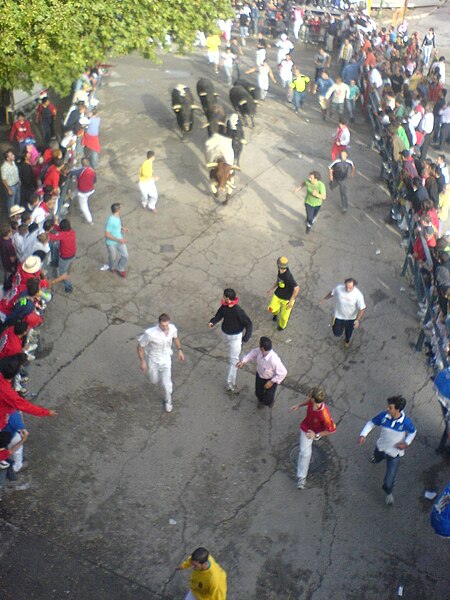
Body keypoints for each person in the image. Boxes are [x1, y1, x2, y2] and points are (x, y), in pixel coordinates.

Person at [358, 396, 416, 506]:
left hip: (394, 455)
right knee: (376, 458)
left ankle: (388, 493)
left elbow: (413, 432)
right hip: (381, 448)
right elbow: (372, 423)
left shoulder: (406, 423)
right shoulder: (383, 416)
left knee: (389, 479)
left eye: (390, 407)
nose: (387, 409)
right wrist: (363, 434)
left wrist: (406, 443)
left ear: (397, 410)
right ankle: (375, 459)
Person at [290, 387, 336, 489]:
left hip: (313, 432)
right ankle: (302, 476)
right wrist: (298, 405)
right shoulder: (312, 402)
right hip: (306, 427)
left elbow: (332, 430)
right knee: (303, 452)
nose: (308, 397)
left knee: (305, 453)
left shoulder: (324, 415)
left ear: (315, 400)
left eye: (310, 396)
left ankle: (302, 478)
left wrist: (316, 435)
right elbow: (308, 402)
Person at [208, 288, 252, 394]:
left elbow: (249, 324)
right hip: (225, 335)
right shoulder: (224, 307)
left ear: (228, 298)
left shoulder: (238, 311)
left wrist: (245, 338)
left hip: (236, 338)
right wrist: (212, 322)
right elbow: (219, 315)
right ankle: (238, 352)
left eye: (224, 296)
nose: (222, 297)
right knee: (234, 353)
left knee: (233, 361)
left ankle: (230, 384)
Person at [137, 314, 184, 413]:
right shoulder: (150, 334)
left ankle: (168, 401)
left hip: (166, 359)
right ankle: (155, 378)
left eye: (166, 325)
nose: (165, 328)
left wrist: (179, 350)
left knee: (167, 384)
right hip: (153, 360)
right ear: (159, 324)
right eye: (163, 325)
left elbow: (175, 338)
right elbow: (140, 346)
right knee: (154, 380)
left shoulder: (172, 329)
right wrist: (143, 361)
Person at [236, 336, 287, 408]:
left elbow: (283, 372)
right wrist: (243, 361)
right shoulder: (259, 351)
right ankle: (261, 400)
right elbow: (252, 354)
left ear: (262, 348)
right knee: (258, 392)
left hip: (270, 379)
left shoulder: (274, 360)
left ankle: (268, 402)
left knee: (269, 397)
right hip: (260, 376)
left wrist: (272, 381)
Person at [321, 278, 366, 348]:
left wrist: (358, 320)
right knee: (337, 333)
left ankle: (347, 341)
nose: (348, 290)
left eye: (350, 288)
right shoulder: (339, 289)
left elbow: (362, 308)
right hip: (339, 316)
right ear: (344, 284)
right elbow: (332, 293)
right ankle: (339, 329)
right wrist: (324, 298)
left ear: (354, 286)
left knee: (349, 333)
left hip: (351, 319)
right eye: (346, 287)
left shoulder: (358, 295)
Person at [266, 256, 300, 331]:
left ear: (278, 265)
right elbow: (278, 281)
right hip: (278, 294)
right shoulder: (280, 271)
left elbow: (297, 288)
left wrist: (291, 301)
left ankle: (282, 326)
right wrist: (271, 290)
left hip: (287, 298)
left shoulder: (288, 277)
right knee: (272, 308)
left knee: (284, 316)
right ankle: (275, 314)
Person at [48, 218, 77, 293]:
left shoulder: (62, 235)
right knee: (65, 269)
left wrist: (48, 231)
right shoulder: (72, 231)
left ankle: (68, 286)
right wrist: (54, 225)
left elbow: (51, 237)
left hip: (65, 257)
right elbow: (59, 230)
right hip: (72, 254)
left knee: (63, 273)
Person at [104, 203, 128, 277]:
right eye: (120, 208)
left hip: (119, 239)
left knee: (125, 255)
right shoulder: (111, 220)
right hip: (111, 242)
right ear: (118, 210)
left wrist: (122, 228)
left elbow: (117, 225)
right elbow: (107, 234)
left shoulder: (117, 217)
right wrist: (118, 240)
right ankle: (112, 267)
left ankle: (121, 268)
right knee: (113, 257)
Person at [71, 158, 96, 225]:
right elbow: (94, 181)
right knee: (74, 194)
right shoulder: (92, 170)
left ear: (82, 164)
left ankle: (89, 220)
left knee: (83, 206)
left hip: (83, 192)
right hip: (90, 190)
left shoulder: (80, 170)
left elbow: (71, 172)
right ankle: (71, 198)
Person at [1, 149, 21, 213]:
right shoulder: (4, 167)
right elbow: (4, 180)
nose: (13, 156)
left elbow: (16, 172)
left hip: (17, 184)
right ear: (7, 158)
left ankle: (17, 214)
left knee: (17, 200)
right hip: (11, 187)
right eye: (11, 155)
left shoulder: (13, 162)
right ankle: (11, 217)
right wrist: (9, 189)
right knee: (11, 203)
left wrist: (19, 180)